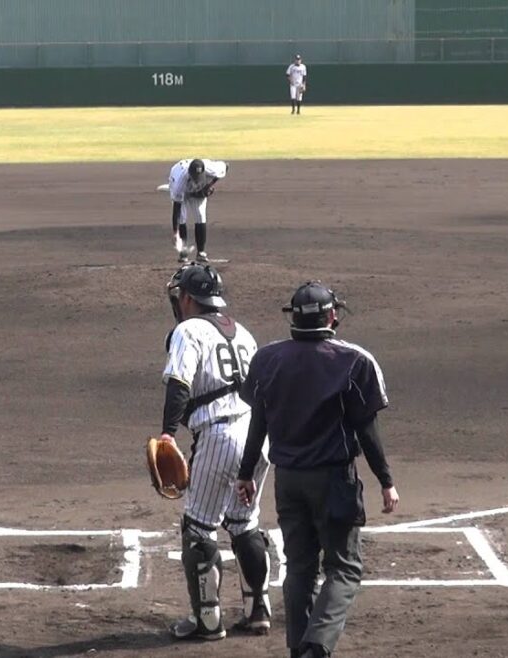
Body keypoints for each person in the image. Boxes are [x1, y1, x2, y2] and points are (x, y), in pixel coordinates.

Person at [235, 281, 400, 658]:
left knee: (300, 568)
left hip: (288, 482)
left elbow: (258, 423)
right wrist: (386, 481)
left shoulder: (267, 359)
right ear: (332, 316)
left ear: (293, 317)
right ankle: (318, 646)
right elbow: (367, 431)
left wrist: (246, 473)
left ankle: (299, 648)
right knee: (344, 568)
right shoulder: (353, 361)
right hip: (332, 481)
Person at [158, 263, 272, 641]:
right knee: (244, 523)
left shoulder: (188, 331)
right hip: (257, 436)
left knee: (198, 528)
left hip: (220, 436)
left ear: (188, 298)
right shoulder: (243, 333)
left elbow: (179, 384)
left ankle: (206, 621)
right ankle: (258, 610)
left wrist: (167, 433)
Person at [168, 158, 229, 264]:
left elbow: (226, 166)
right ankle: (183, 252)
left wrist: (209, 185)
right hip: (179, 185)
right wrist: (175, 233)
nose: (197, 179)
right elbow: (177, 208)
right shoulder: (179, 183)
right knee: (182, 217)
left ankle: (201, 253)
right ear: (189, 174)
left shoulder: (212, 168)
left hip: (195, 188)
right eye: (195, 177)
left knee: (200, 215)